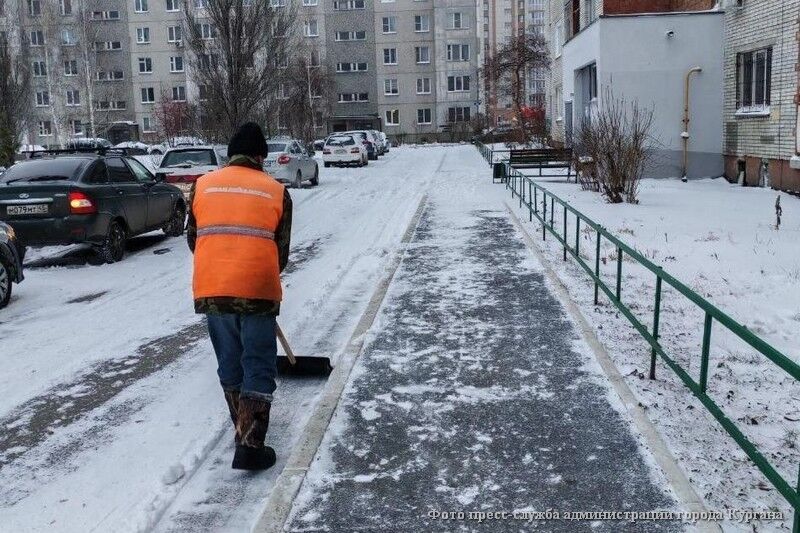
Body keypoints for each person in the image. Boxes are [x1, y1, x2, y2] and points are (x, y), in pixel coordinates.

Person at [187, 122, 292, 470]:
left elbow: (193, 240)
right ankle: (250, 445)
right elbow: (282, 252)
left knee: (230, 363)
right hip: (258, 289)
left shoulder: (201, 186)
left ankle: (242, 429)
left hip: (213, 289)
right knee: (258, 364)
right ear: (261, 156)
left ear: (231, 154)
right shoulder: (276, 191)